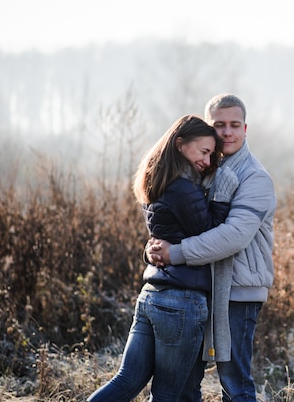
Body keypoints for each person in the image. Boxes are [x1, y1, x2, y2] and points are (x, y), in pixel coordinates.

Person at [88, 114, 239, 401]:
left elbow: (170, 233)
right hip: (181, 302)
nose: (208, 161)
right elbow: (211, 234)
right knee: (168, 394)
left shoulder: (158, 180)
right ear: (181, 144)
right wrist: (221, 197)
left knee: (125, 382)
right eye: (204, 152)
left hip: (152, 296)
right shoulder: (182, 187)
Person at [147, 93, 276, 402]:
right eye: (219, 125)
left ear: (246, 129)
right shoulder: (203, 169)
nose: (227, 132)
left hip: (238, 292)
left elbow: (231, 237)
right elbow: (176, 221)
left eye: (234, 125)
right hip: (200, 289)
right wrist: (154, 251)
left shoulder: (254, 178)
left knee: (233, 382)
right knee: (185, 380)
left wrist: (174, 253)